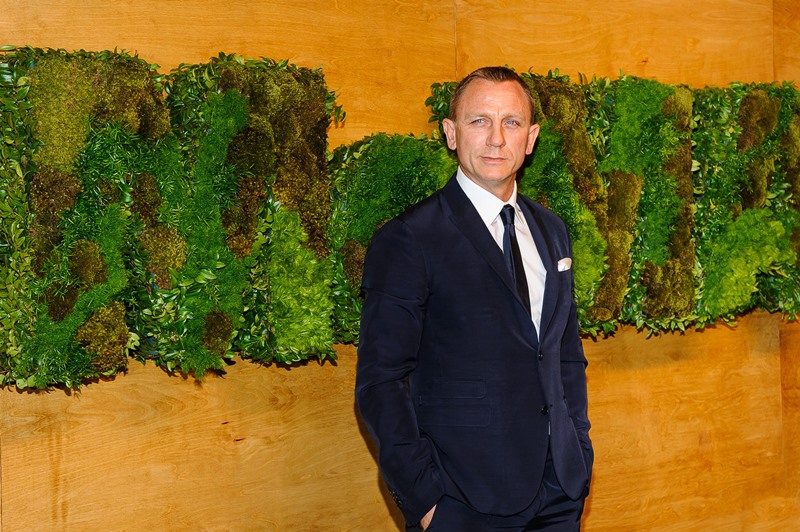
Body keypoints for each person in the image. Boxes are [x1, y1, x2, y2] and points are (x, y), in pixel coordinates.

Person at [355, 66, 593, 531]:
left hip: (559, 491)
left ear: (531, 138)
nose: (496, 139)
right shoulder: (409, 238)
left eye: (511, 122)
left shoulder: (551, 230)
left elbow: (565, 354)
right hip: (462, 499)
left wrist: (578, 447)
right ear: (451, 132)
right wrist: (426, 500)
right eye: (479, 120)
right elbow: (380, 381)